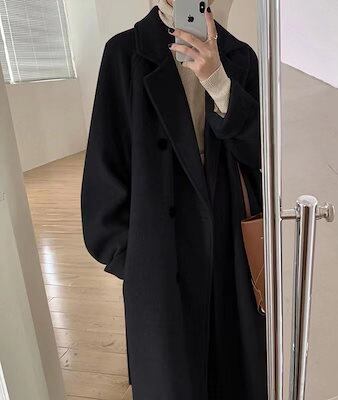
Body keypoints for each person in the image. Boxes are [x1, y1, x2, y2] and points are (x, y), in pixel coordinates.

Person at [81, 1, 266, 399]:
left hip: (229, 248)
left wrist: (219, 83)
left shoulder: (240, 57)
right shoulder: (124, 54)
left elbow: (261, 155)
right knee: (171, 379)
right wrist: (134, 259)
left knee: (235, 374)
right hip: (159, 253)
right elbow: (104, 163)